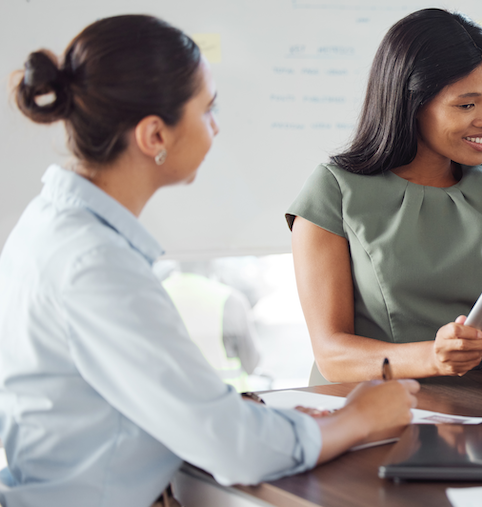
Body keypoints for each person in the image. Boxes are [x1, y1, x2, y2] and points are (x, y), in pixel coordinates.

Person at [0, 15, 419, 507]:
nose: (217, 126)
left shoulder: (51, 222)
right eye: (208, 108)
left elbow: (169, 403)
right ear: (154, 136)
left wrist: (271, 423)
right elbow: (230, 445)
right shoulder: (94, 263)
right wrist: (359, 418)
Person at [288, 8, 482, 385]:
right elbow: (332, 355)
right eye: (467, 104)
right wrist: (434, 356)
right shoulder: (334, 190)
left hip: (478, 402)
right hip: (369, 405)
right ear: (412, 105)